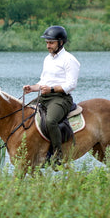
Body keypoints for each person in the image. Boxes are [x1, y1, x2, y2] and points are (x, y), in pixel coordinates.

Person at [23, 25, 80, 164]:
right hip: (46, 96)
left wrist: (52, 89)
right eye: (47, 42)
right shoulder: (47, 59)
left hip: (61, 98)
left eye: (51, 42)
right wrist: (32, 88)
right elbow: (43, 82)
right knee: (25, 113)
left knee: (50, 121)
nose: (48, 45)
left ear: (60, 42)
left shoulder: (69, 60)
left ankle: (57, 155)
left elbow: (71, 84)